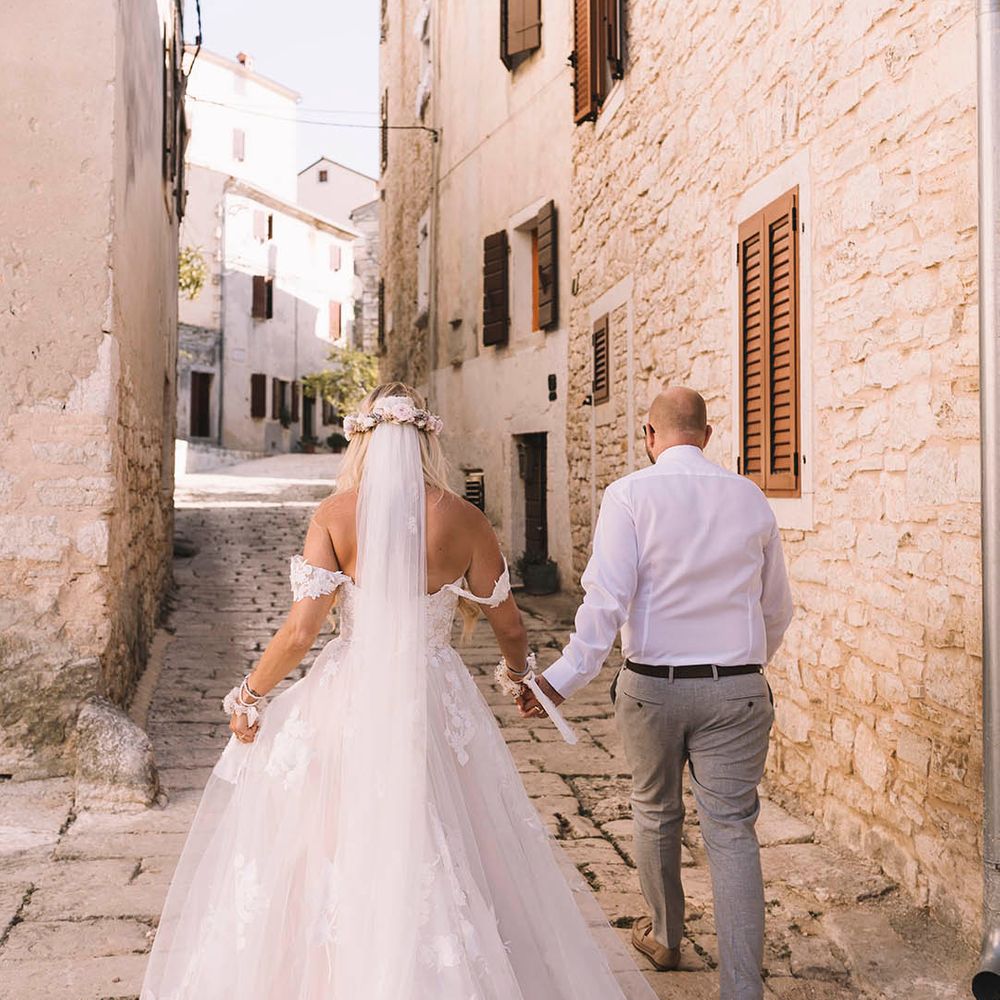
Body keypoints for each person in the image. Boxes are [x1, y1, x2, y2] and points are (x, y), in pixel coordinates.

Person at [140, 382, 657, 1000]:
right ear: (425, 439)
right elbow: (510, 624)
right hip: (434, 694)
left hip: (350, 694)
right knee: (455, 830)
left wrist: (249, 693)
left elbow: (302, 630)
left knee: (329, 838)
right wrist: (522, 677)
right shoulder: (465, 521)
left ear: (362, 439)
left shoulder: (334, 516)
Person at [520, 386, 794, 1000]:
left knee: (654, 811)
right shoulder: (750, 497)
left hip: (653, 690)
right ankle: (743, 990)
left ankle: (667, 937)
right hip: (738, 690)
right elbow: (776, 608)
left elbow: (606, 599)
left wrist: (560, 681)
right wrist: (744, 669)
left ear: (649, 435)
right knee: (731, 830)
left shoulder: (629, 495)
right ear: (709, 433)